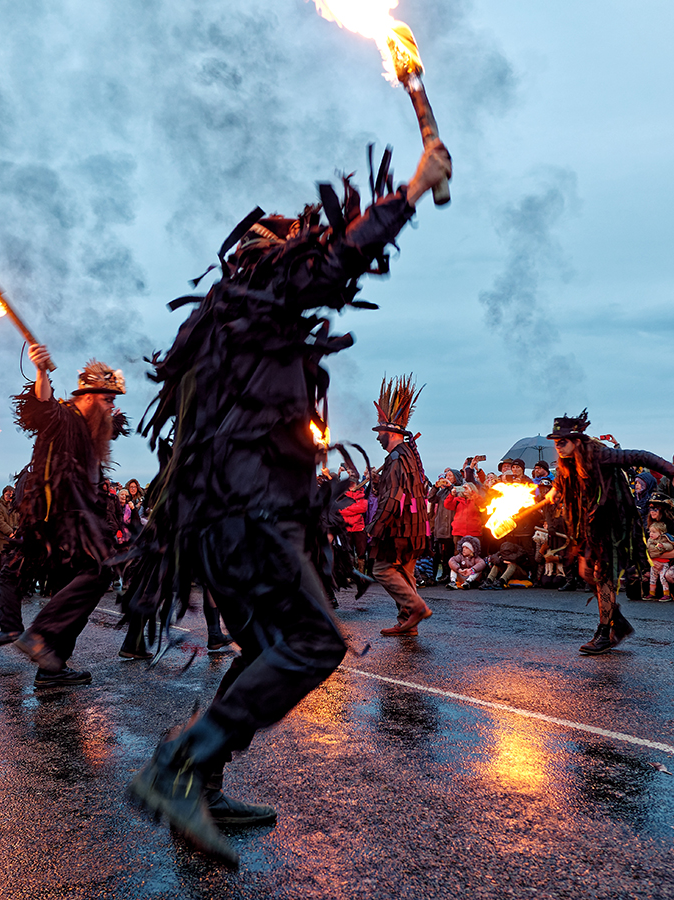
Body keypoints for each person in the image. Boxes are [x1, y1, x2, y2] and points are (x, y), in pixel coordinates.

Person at [122, 140, 451, 865]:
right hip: (248, 513)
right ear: (260, 254)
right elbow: (333, 265)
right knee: (314, 643)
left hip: (220, 516)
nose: (304, 246)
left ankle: (200, 784)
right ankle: (178, 762)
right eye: (291, 241)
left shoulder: (221, 320)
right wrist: (411, 192)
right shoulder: (258, 291)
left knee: (267, 646)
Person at [4, 349, 129, 686]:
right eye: (106, 398)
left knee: (68, 594)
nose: (111, 406)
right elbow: (43, 407)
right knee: (100, 569)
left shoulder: (92, 427)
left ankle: (51, 667)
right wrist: (41, 372)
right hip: (61, 520)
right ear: (86, 396)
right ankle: (39, 635)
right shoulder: (65, 418)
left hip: (81, 520)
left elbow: (113, 426)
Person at [532, 411, 674, 654]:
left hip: (614, 524)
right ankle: (619, 623)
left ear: (577, 440)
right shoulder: (568, 463)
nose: (558, 446)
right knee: (586, 573)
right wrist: (556, 491)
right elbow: (565, 482)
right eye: (556, 442)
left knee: (602, 576)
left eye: (563, 441)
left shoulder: (601, 454)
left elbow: (641, 456)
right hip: (591, 525)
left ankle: (605, 632)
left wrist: (673, 471)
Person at [368, 374, 435, 636]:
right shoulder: (406, 455)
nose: (377, 438)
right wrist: (377, 480)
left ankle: (416, 607)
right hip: (413, 528)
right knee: (405, 574)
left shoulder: (397, 459)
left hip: (399, 529)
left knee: (382, 570)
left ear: (390, 433)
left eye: (379, 433)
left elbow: (393, 497)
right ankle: (408, 622)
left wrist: (375, 526)